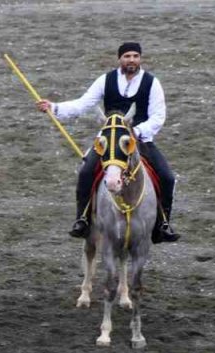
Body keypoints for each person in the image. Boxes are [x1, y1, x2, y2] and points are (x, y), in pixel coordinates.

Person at [37, 41, 180, 243]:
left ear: (140, 59)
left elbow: (158, 116)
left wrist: (135, 132)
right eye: (127, 56)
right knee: (86, 172)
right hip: (110, 140)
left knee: (167, 177)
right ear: (119, 59)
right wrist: (54, 107)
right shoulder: (106, 80)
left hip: (139, 140)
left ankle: (163, 224)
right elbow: (83, 103)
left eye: (135, 56)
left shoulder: (152, 83)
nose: (131, 60)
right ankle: (83, 219)